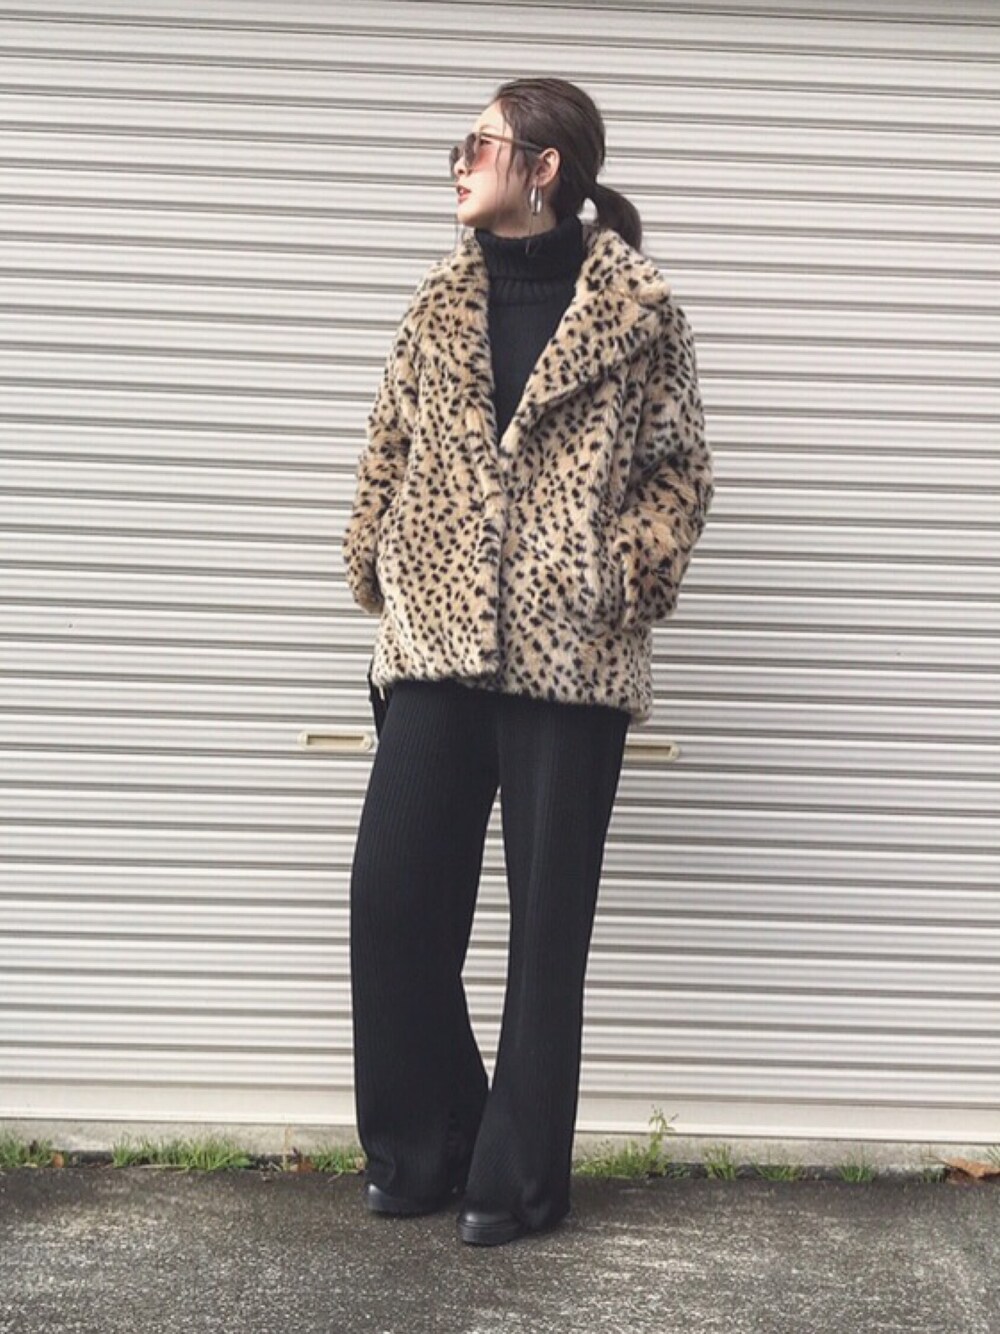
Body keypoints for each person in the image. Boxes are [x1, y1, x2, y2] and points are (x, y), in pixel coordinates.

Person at [342, 76, 714, 1247]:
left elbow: (679, 471)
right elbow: (388, 445)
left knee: (544, 937)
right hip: (436, 642)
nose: (457, 163)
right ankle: (426, 1142)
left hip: (571, 658)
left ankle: (516, 1180)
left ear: (543, 167)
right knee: (392, 903)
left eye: (478, 143)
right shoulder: (436, 301)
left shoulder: (639, 311)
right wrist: (378, 557)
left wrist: (621, 575)